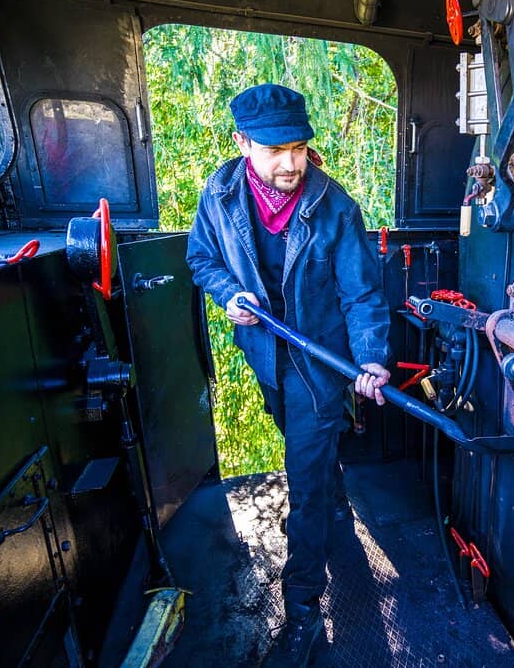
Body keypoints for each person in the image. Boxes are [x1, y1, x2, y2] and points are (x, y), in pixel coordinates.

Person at [186, 83, 391, 667]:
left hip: (319, 365)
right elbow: (201, 259)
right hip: (266, 357)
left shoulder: (334, 206)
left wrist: (371, 358)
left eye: (300, 147)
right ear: (242, 142)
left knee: (301, 485)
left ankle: (303, 611)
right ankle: (336, 499)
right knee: (309, 456)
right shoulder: (220, 194)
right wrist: (229, 295)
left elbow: (361, 293)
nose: (292, 163)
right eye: (277, 149)